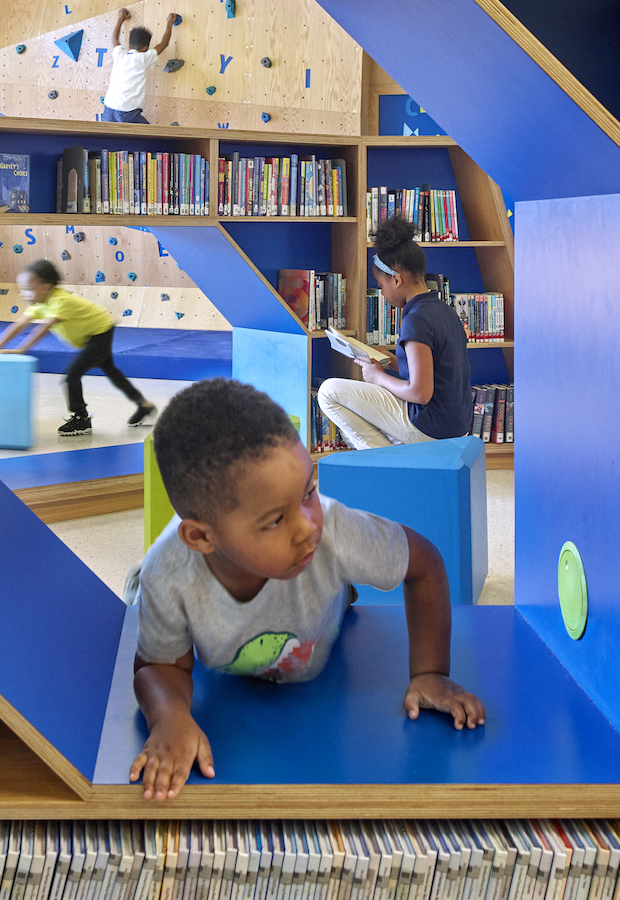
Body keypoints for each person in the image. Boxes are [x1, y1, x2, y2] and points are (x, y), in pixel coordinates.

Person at [128, 378, 485, 801]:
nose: (306, 527)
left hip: (321, 606)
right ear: (202, 538)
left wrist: (431, 673)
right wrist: (169, 717)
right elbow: (158, 665)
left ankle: (340, 588)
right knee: (142, 595)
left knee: (328, 563)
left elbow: (423, 563)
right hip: (204, 633)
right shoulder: (168, 573)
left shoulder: (333, 530)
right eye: (275, 520)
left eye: (308, 492)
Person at [317, 216, 473, 450]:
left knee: (328, 392)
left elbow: (420, 393)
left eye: (381, 286)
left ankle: (388, 462)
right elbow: (439, 371)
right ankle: (395, 455)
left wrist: (378, 377)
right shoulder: (444, 310)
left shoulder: (415, 320)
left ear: (397, 280)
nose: (382, 293)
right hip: (457, 425)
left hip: (431, 427)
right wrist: (391, 362)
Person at [0, 258, 156, 437]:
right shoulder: (42, 303)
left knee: (72, 376)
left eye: (29, 289)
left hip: (99, 332)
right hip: (93, 333)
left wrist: (21, 349)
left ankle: (81, 418)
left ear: (46, 286)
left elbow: (43, 328)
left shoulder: (61, 301)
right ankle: (144, 406)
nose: (25, 295)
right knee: (111, 371)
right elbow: (20, 324)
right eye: (23, 290)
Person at [100, 8, 178, 124]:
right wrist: (169, 24)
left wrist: (121, 19)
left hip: (108, 109)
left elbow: (114, 39)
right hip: (127, 113)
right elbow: (164, 44)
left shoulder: (119, 55)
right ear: (146, 48)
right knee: (148, 137)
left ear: (129, 44)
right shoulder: (143, 58)